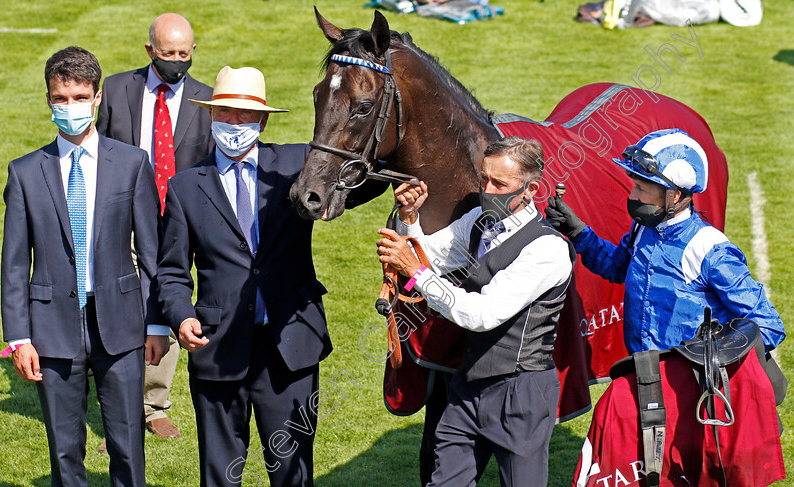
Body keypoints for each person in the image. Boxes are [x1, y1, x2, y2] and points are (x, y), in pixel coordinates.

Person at [0, 46, 168, 486]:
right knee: (64, 447)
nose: (70, 107)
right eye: (60, 99)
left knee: (127, 442)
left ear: (96, 99)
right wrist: (19, 338)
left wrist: (156, 325)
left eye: (79, 97)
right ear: (48, 100)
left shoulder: (132, 164)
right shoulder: (24, 173)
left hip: (121, 324)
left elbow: (151, 254)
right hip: (52, 328)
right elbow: (15, 264)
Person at [156, 66, 331, 486]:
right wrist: (180, 316)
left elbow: (361, 179)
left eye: (245, 116)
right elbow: (172, 270)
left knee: (292, 469)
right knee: (219, 472)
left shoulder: (296, 165)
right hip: (218, 348)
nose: (234, 123)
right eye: (226, 114)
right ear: (210, 117)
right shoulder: (185, 186)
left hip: (290, 346)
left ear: (264, 121)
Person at [377, 136, 575, 486]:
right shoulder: (477, 221)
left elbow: (482, 314)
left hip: (522, 394)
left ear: (531, 189)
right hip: (467, 386)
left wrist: (416, 272)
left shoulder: (547, 249)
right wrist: (409, 220)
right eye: (483, 179)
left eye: (499, 183)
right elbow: (429, 256)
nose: (487, 190)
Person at [545, 128, 785, 354]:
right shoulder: (643, 228)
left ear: (675, 196)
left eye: (641, 188)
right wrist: (577, 231)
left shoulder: (710, 249)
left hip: (690, 387)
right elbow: (617, 268)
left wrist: (709, 359)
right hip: (645, 373)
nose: (633, 196)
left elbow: (768, 326)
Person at [96, 12, 213, 440]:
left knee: (169, 302)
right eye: (168, 54)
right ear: (150, 51)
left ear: (193, 52)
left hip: (179, 219)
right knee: (124, 305)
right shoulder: (116, 90)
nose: (177, 61)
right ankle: (121, 404)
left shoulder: (207, 99)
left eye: (184, 54)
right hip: (123, 217)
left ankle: (154, 403)